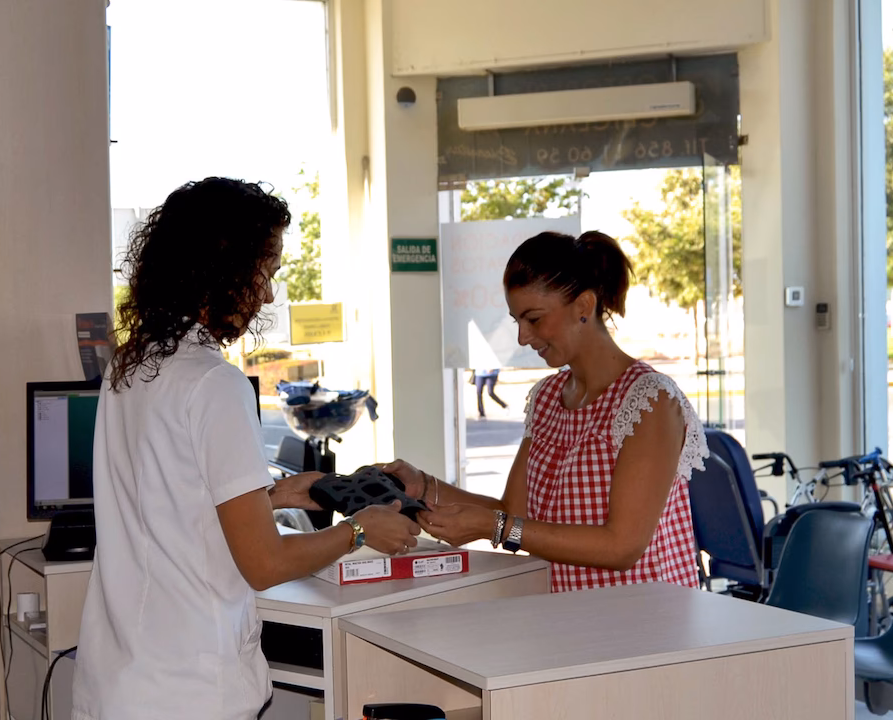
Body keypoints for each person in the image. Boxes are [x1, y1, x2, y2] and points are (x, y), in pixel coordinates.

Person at [71, 178, 421, 720]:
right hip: (191, 693)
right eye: (267, 271)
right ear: (224, 266)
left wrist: (274, 495)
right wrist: (359, 529)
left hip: (117, 684)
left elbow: (163, 505)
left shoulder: (129, 367)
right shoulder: (215, 383)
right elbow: (262, 563)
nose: (269, 292)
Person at [382, 230, 707, 593]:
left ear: (584, 306)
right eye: (516, 320)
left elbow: (623, 546)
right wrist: (424, 485)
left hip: (647, 625)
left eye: (533, 319)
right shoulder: (548, 397)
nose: (522, 337)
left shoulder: (650, 400)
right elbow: (513, 508)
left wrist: (497, 527)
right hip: (568, 619)